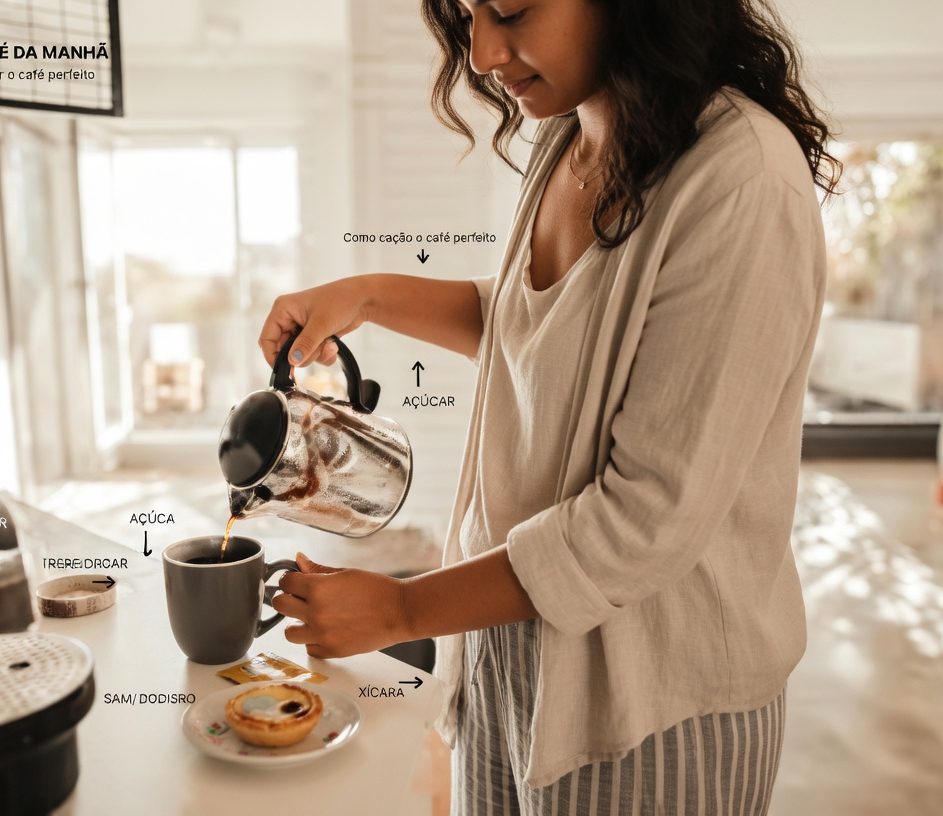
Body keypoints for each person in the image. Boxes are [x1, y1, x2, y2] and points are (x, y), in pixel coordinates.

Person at [264, 0, 840, 813]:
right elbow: (550, 326)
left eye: (510, 10)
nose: (483, 53)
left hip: (653, 699)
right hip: (510, 645)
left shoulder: (740, 176)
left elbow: (645, 520)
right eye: (467, 14)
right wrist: (367, 294)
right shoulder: (572, 135)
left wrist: (402, 606)